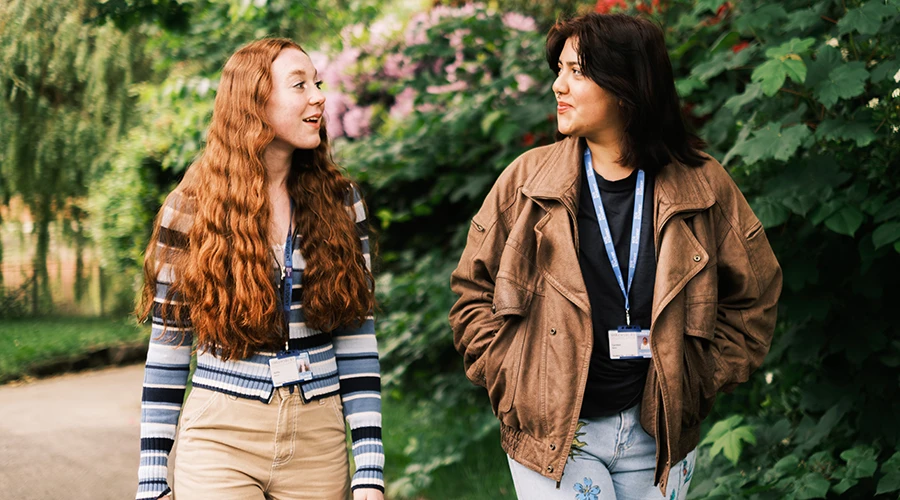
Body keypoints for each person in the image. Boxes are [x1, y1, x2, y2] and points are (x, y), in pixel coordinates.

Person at [449, 13, 781, 500]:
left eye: (577, 72)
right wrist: (514, 378)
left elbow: (756, 296)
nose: (559, 86)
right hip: (557, 433)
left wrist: (698, 379)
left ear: (628, 86)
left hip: (661, 434)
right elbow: (471, 294)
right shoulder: (526, 182)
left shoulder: (703, 184)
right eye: (558, 70)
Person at [135, 38, 384, 500]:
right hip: (220, 437)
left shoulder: (342, 204)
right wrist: (152, 478)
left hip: (317, 442)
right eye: (299, 85)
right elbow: (168, 347)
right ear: (255, 101)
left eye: (318, 83)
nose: (318, 96)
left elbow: (357, 336)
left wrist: (370, 466)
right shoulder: (191, 209)